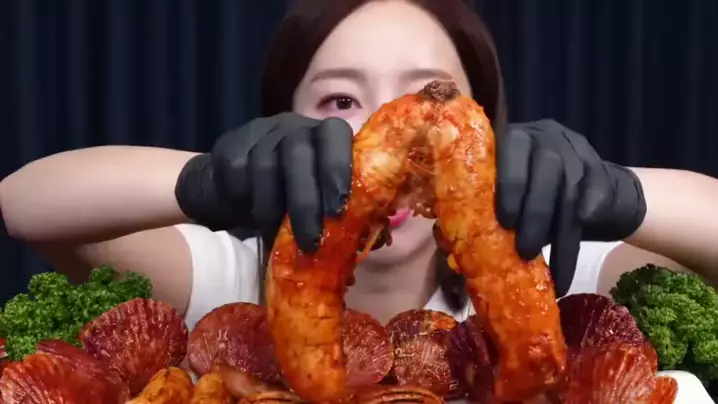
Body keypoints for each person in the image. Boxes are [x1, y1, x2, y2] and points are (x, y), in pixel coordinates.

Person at [1, 0, 718, 331]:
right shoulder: (225, 280)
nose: (387, 135)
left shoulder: (558, 278)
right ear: (282, 123)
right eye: (341, 100)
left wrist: (618, 191)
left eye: (431, 96)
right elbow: (24, 203)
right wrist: (209, 178)